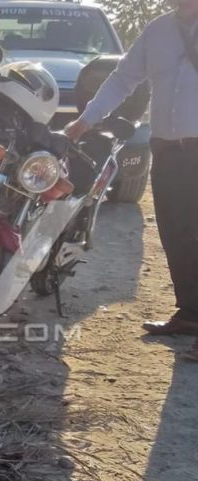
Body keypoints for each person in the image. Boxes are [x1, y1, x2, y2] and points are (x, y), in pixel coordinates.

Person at [65, 0, 198, 337]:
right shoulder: (158, 30)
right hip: (167, 149)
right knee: (175, 231)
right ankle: (191, 313)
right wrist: (85, 121)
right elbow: (123, 79)